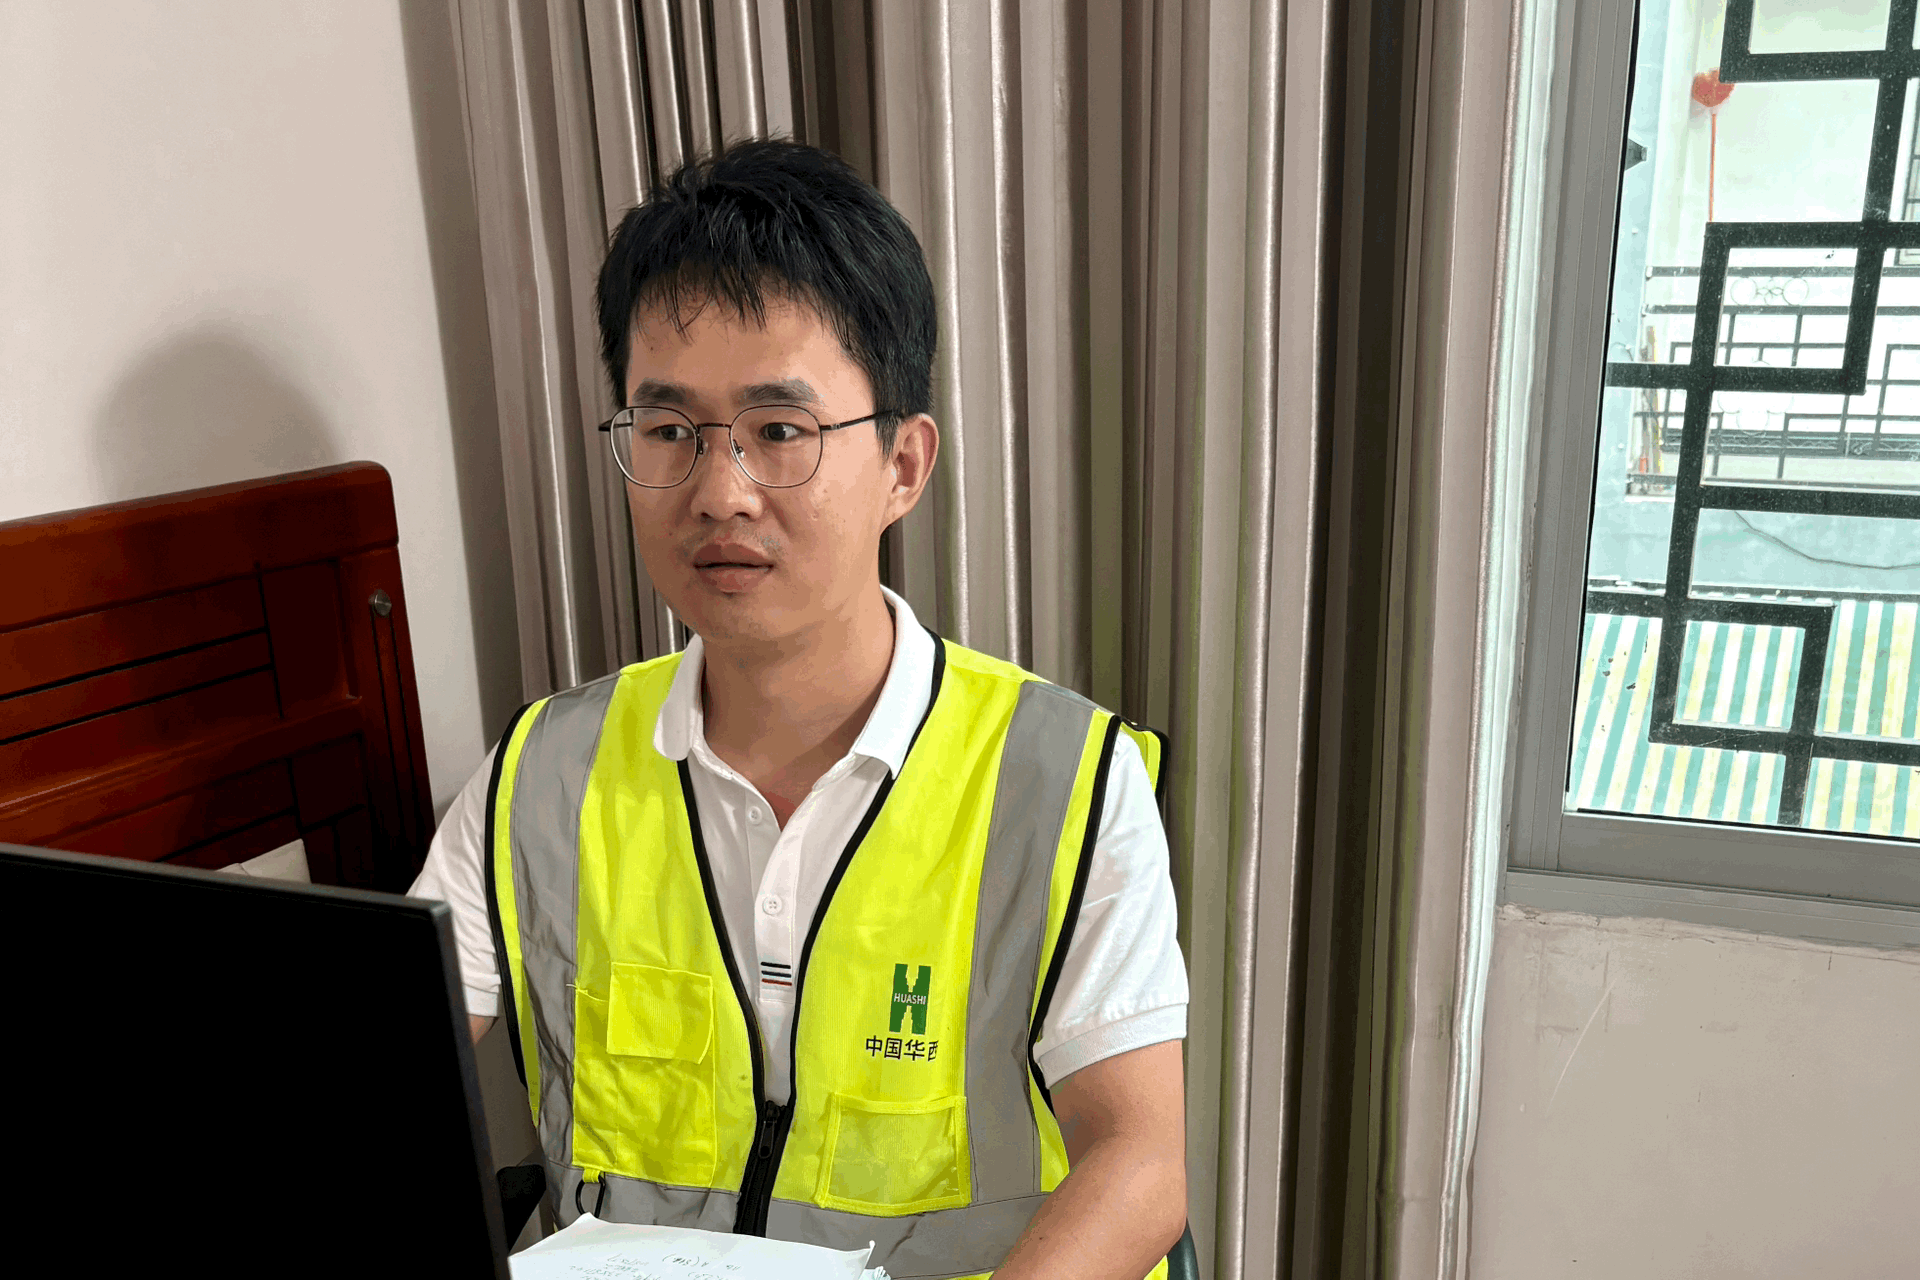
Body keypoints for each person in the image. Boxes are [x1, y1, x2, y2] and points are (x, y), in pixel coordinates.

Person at [409, 137, 1188, 1280]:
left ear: (903, 464)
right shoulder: (540, 772)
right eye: (668, 430)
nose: (719, 491)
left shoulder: (1059, 776)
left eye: (780, 431)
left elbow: (1140, 1162)